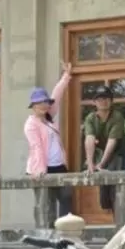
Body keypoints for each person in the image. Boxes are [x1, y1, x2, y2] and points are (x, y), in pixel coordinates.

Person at [24, 62, 73, 221]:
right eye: (39, 103)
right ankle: (47, 234)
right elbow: (36, 147)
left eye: (45, 102)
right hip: (42, 167)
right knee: (46, 203)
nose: (44, 105)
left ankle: (65, 232)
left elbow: (57, 95)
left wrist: (66, 76)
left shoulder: (49, 117)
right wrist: (39, 170)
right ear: (33, 106)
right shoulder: (31, 124)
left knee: (66, 197)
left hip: (58, 165)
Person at [82, 85, 125, 211]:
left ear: (111, 101)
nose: (103, 101)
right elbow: (89, 139)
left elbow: (112, 141)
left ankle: (124, 221)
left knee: (120, 191)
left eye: (106, 98)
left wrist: (101, 164)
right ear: (95, 102)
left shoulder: (117, 116)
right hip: (102, 153)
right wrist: (91, 163)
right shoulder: (91, 118)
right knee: (105, 193)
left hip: (120, 155)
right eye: (100, 99)